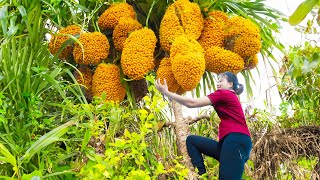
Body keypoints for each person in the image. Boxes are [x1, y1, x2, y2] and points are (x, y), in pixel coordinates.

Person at [155, 72, 252, 179]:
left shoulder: (225, 93)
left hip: (236, 141)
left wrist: (167, 92)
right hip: (230, 144)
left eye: (221, 81)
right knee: (192, 141)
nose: (218, 83)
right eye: (217, 81)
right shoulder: (228, 96)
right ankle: (202, 175)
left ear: (230, 84)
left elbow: (191, 103)